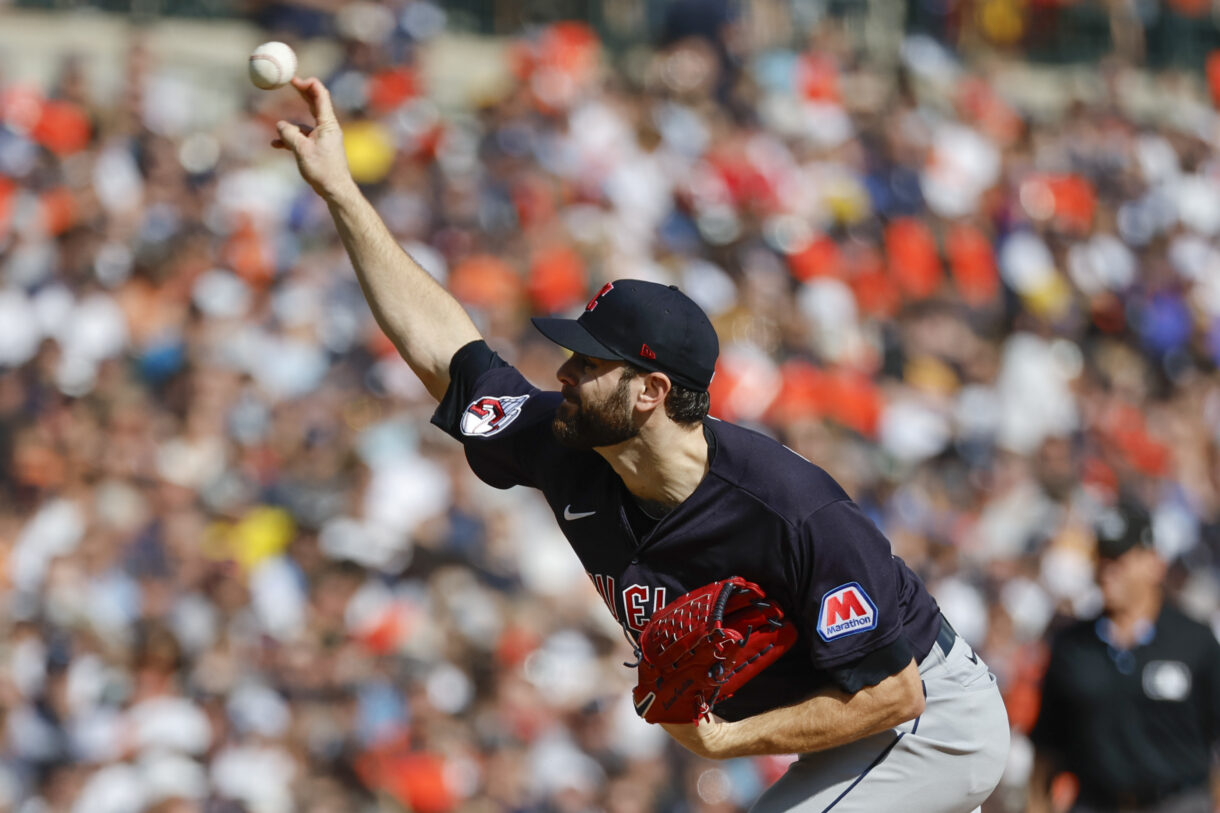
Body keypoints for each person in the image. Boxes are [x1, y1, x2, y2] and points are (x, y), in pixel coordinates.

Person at [272, 76, 1010, 813]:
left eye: (590, 365)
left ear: (650, 393)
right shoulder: (565, 443)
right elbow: (447, 352)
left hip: (926, 720)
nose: (563, 372)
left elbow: (892, 691)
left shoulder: (788, 509)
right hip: (842, 728)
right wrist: (341, 190)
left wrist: (724, 741)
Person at [1027, 505, 1220, 813]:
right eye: (1102, 559)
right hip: (1096, 801)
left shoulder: (1194, 641)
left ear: (1153, 564)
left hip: (1178, 802)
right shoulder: (1072, 645)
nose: (1107, 571)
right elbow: (1048, 745)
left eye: (1119, 559)